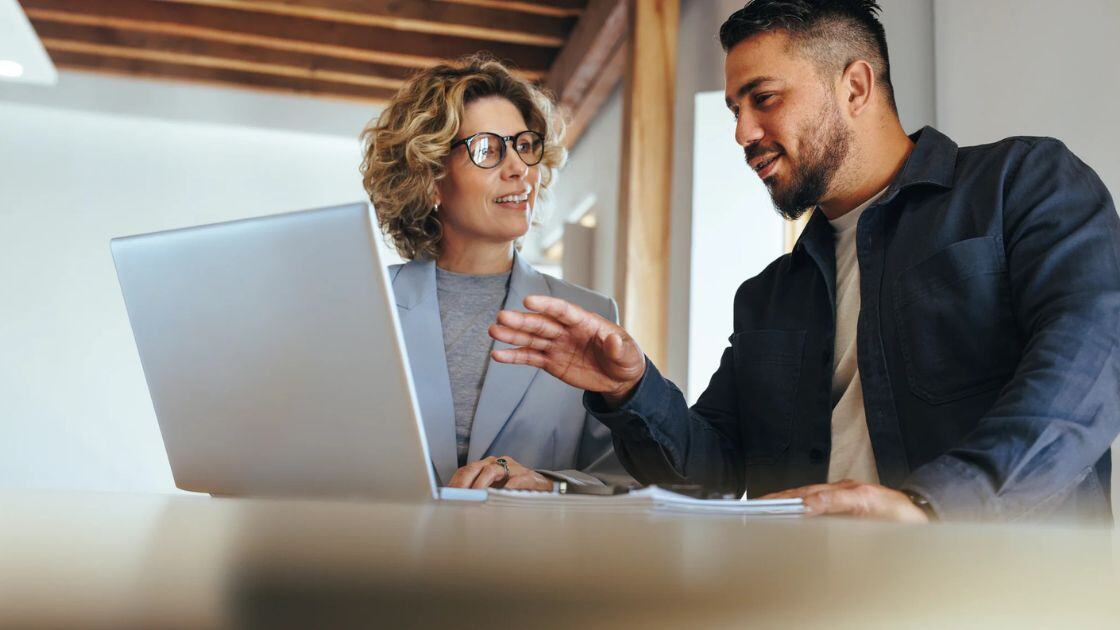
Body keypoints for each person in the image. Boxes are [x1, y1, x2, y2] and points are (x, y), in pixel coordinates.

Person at [488, 0, 1120, 522]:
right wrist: (629, 389)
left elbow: (1092, 358)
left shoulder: (1022, 183)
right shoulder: (768, 295)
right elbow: (710, 472)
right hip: (809, 596)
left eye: (763, 98)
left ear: (855, 86)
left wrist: (933, 507)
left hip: (1001, 594)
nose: (742, 132)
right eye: (736, 108)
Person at [360, 55, 630, 491]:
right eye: (487, 149)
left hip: (526, 558)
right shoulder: (364, 305)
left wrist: (549, 483)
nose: (519, 169)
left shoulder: (588, 314)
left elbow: (624, 477)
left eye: (524, 146)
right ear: (430, 177)